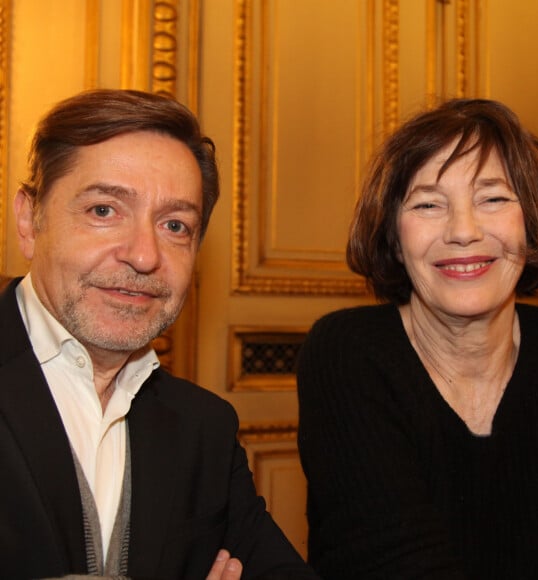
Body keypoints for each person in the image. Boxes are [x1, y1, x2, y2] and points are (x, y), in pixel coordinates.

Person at [0, 89, 318, 580]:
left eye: (175, 225)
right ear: (29, 219)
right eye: (104, 211)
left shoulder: (203, 427)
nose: (144, 255)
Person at [297, 98, 538, 579]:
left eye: (492, 198)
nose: (464, 231)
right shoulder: (347, 352)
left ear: (530, 221)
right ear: (394, 235)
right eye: (429, 204)